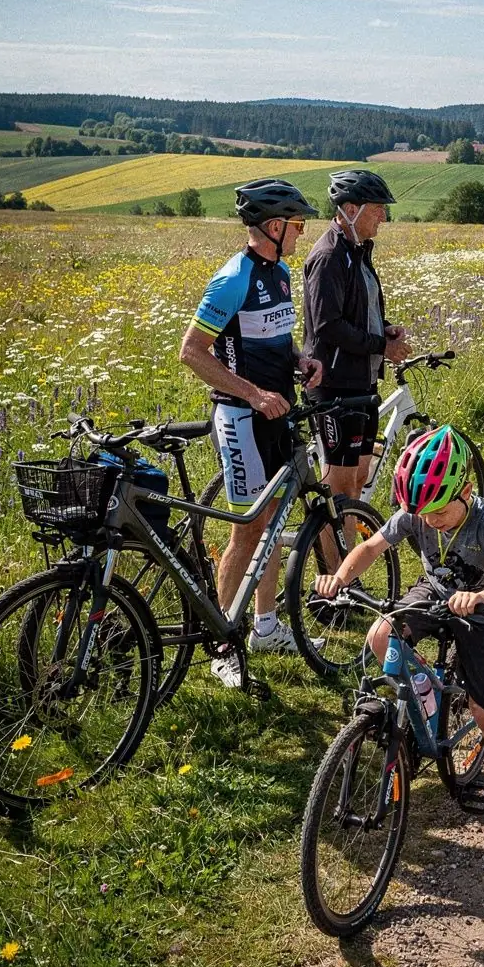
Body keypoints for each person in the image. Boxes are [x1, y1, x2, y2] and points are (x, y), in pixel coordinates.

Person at [313, 426, 484, 852]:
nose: (429, 521)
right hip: (434, 593)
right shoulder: (415, 512)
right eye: (422, 513)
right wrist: (340, 578)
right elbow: (372, 547)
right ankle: (421, 710)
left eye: (439, 513)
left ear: (465, 490)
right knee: (381, 634)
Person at [179, 178, 321, 681]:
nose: (304, 233)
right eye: (299, 225)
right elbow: (192, 351)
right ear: (275, 226)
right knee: (246, 531)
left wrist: (300, 360)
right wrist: (253, 395)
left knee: (274, 525)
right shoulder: (231, 278)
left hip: (276, 415)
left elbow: (278, 338)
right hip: (241, 419)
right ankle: (221, 648)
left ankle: (264, 626)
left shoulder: (280, 272)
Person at [302, 168, 409, 502]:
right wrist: (381, 345)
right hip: (335, 385)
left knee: (359, 479)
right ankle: (334, 556)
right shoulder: (329, 256)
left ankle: (345, 553)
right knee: (340, 491)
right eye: (377, 208)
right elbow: (328, 325)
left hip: (360, 383)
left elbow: (355, 310)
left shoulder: (356, 251)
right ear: (351, 210)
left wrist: (383, 326)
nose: (383, 217)